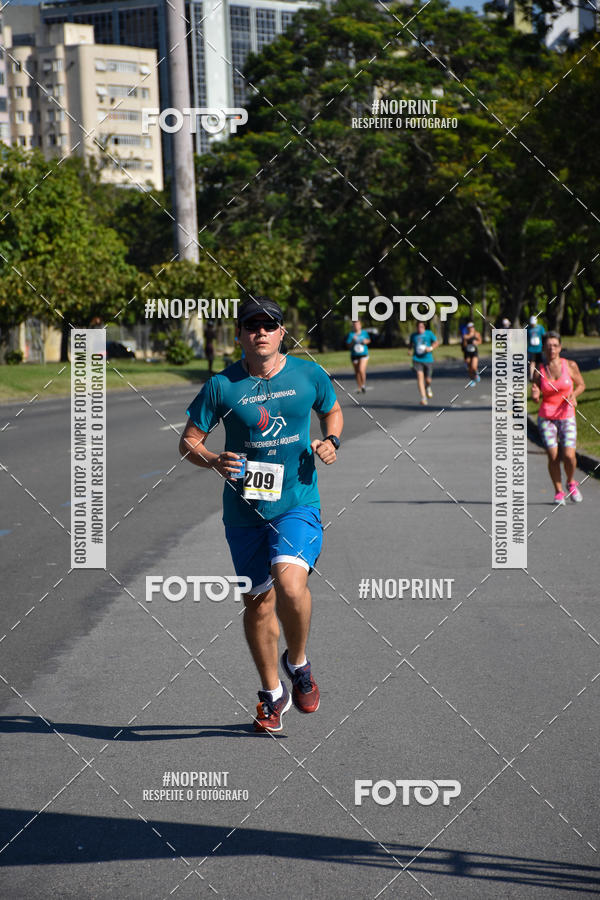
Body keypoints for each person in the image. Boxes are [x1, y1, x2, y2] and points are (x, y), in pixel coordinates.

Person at [179, 296, 343, 733]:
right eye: (252, 325)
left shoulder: (309, 374)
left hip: (296, 503)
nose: (261, 332)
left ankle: (299, 662)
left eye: (269, 325)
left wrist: (331, 441)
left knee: (290, 584)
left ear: (282, 332)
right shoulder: (222, 385)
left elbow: (332, 410)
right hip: (244, 511)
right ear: (240, 334)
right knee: (257, 603)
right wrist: (213, 459)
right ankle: (272, 694)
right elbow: (188, 442)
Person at [531, 332, 585, 505]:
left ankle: (571, 482)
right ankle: (558, 491)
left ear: (560, 347)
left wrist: (574, 395)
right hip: (546, 416)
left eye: (555, 345)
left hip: (566, 415)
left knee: (569, 455)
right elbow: (536, 392)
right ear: (544, 349)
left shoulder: (570, 365)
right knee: (553, 455)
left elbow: (581, 384)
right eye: (548, 345)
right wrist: (535, 394)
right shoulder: (539, 370)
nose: (551, 348)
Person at [409, 320, 439, 405]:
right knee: (419, 376)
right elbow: (411, 344)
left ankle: (428, 386)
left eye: (421, 327)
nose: (420, 328)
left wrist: (430, 348)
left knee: (428, 380)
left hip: (428, 359)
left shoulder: (429, 333)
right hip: (417, 359)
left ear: (424, 327)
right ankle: (423, 398)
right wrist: (410, 350)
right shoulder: (413, 335)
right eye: (418, 327)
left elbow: (436, 343)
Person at [345, 319, 371, 393]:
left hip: (364, 354)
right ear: (353, 326)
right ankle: (359, 387)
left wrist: (365, 341)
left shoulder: (364, 333)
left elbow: (369, 340)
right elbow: (348, 345)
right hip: (354, 355)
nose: (356, 326)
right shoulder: (351, 334)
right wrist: (352, 341)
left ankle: (363, 385)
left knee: (361, 370)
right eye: (355, 325)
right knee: (357, 372)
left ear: (360, 325)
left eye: (358, 324)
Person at [527, 315, 546, 382]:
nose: (533, 325)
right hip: (531, 349)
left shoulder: (540, 328)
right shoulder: (528, 329)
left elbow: (544, 336)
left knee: (539, 363)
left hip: (539, 349)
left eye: (533, 324)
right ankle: (531, 376)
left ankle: (537, 376)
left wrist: (544, 346)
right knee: (532, 362)